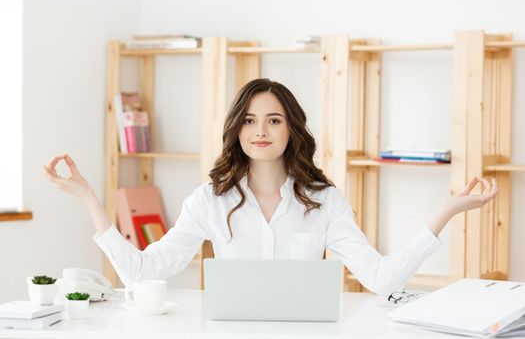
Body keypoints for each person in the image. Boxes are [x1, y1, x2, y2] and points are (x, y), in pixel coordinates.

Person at [44, 78, 498, 295]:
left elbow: (382, 280)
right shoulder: (210, 200)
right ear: (237, 131)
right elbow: (141, 274)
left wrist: (449, 210)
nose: (260, 131)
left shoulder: (324, 202)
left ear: (291, 131)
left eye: (274, 120)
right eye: (249, 120)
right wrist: (89, 198)